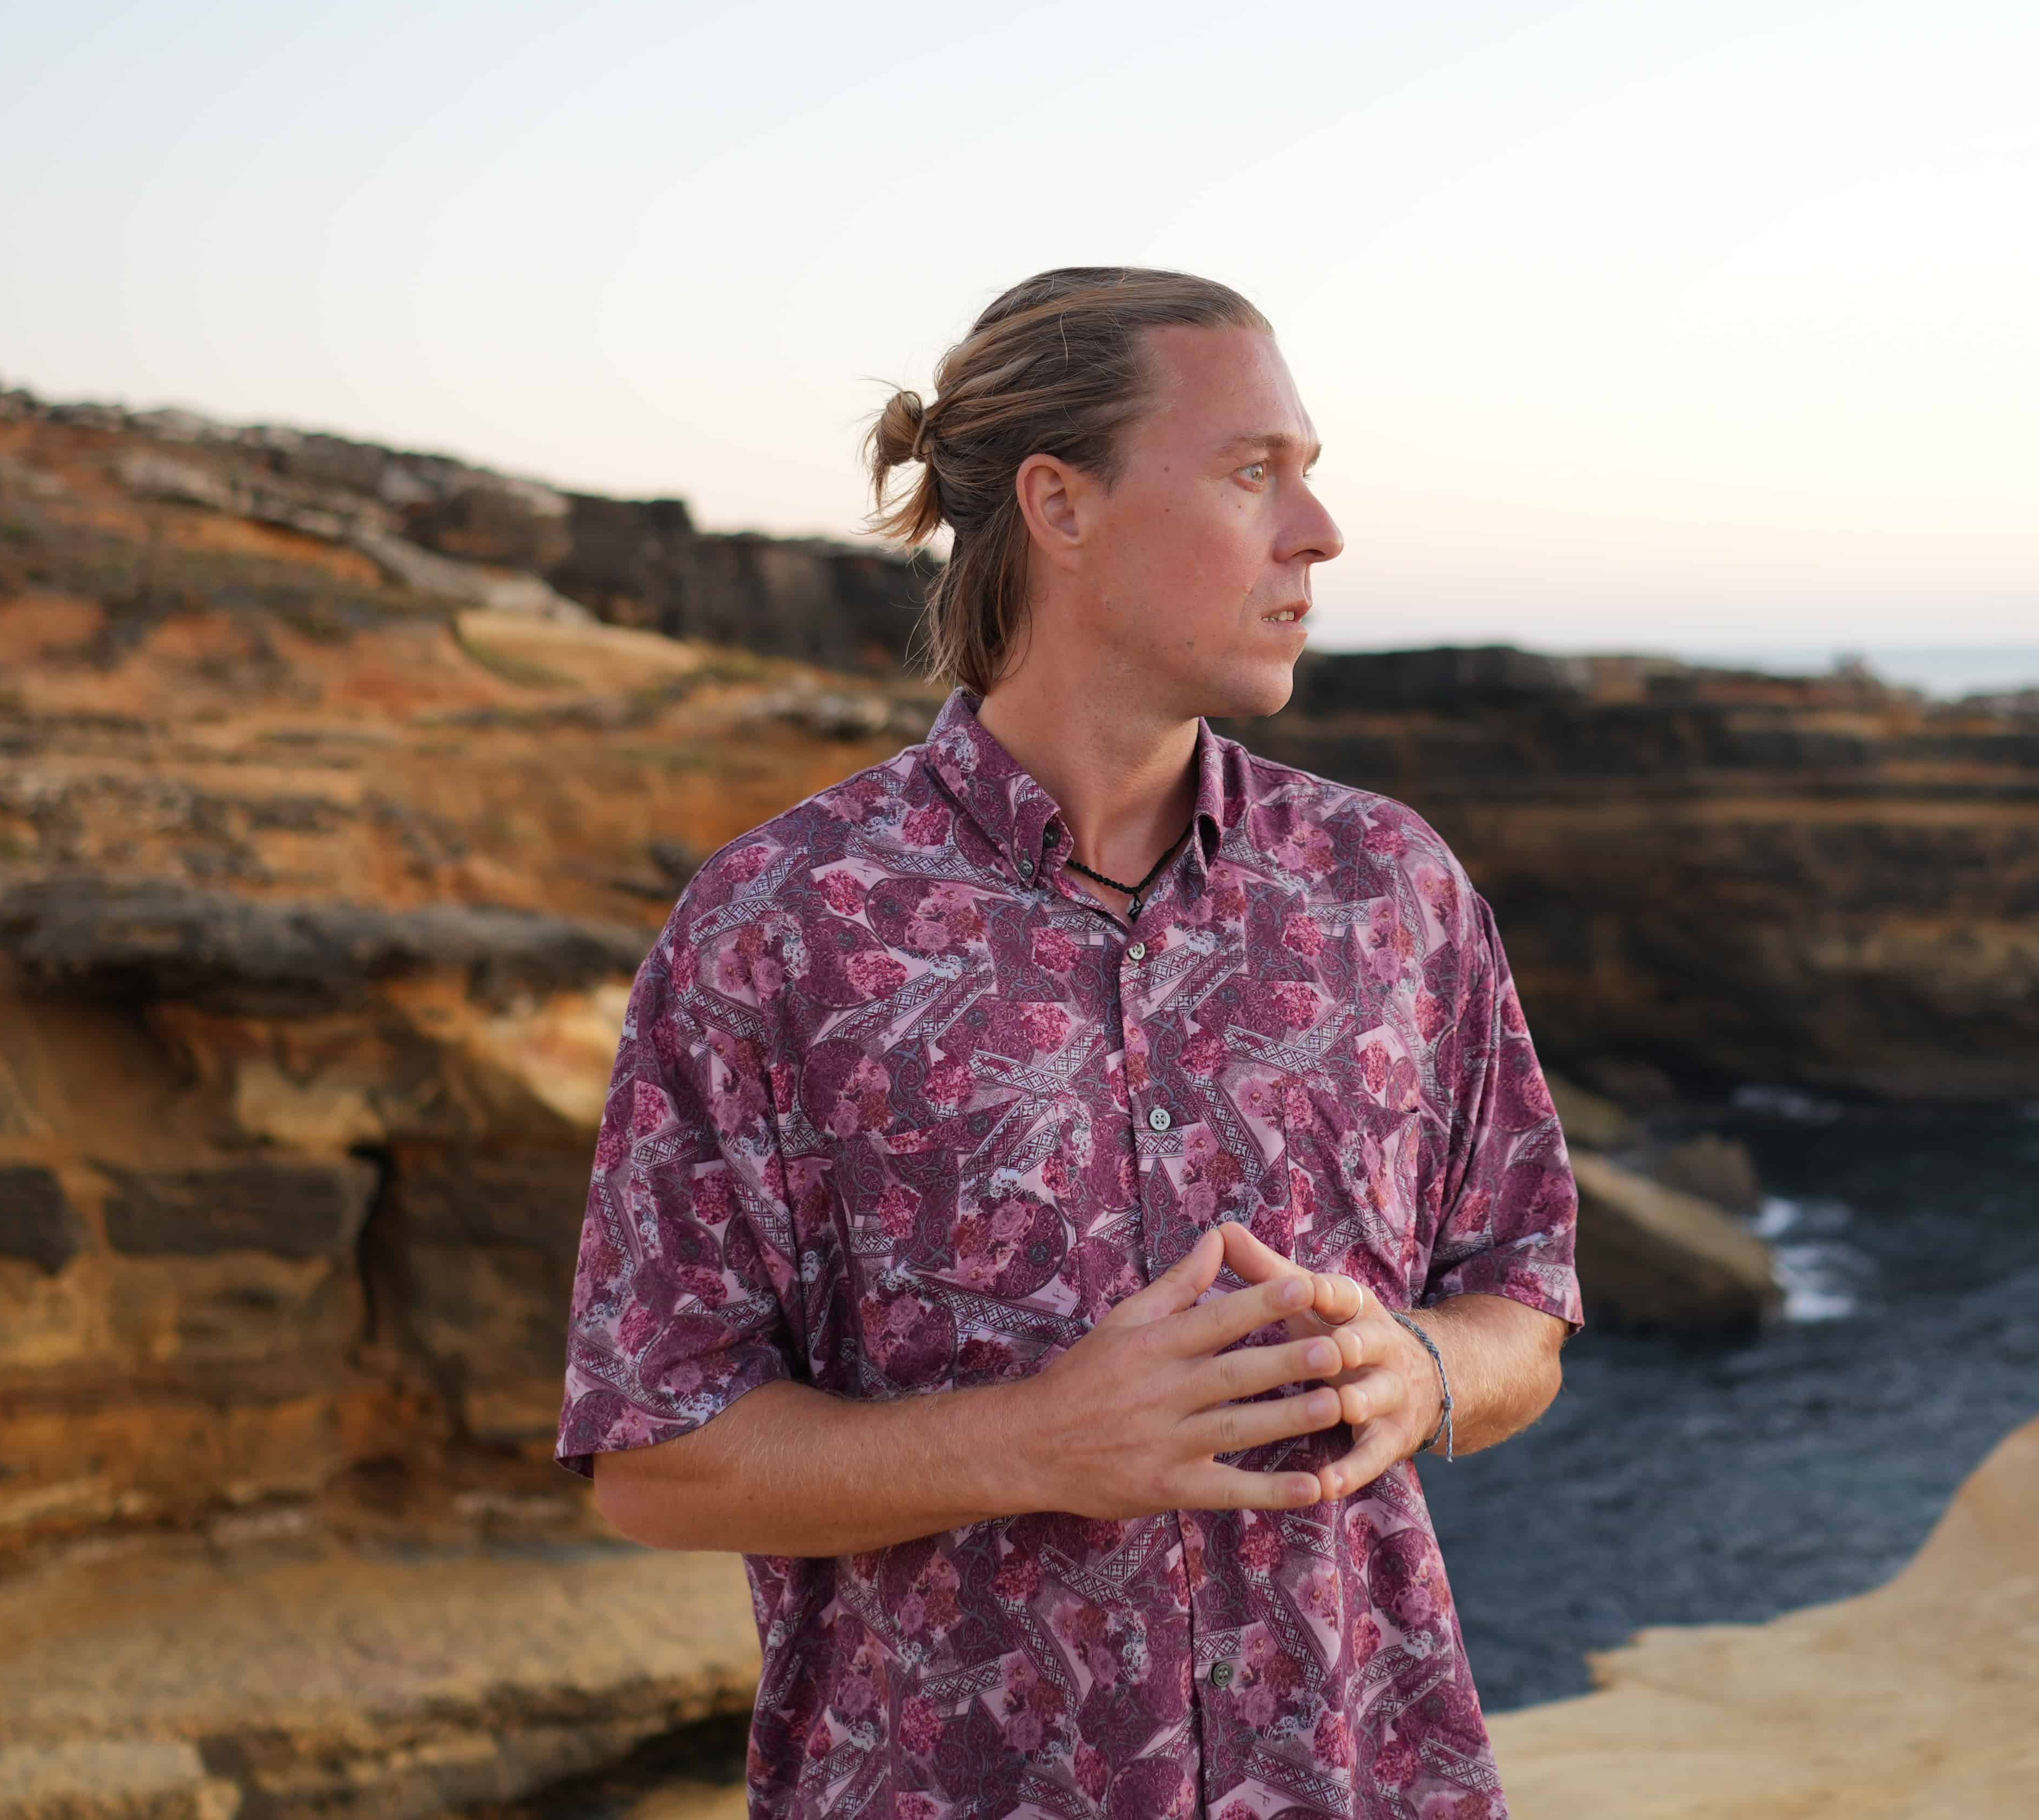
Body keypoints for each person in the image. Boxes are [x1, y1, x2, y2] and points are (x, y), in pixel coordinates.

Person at [560, 267, 1580, 1820]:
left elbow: (1525, 1305)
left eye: (1309, 473)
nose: (1318, 532)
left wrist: (1422, 1369)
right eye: (1254, 472)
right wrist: (1034, 1443)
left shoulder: (1391, 888)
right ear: (1061, 504)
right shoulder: (781, 926)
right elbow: (653, 1459)